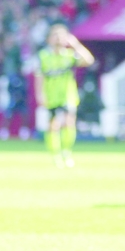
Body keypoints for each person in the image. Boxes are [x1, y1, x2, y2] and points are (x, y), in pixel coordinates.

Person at [36, 25, 95, 167]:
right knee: (53, 126)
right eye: (55, 35)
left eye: (61, 35)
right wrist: (40, 95)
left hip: (68, 95)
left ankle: (66, 152)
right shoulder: (44, 56)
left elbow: (89, 60)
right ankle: (55, 155)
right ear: (49, 38)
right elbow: (39, 77)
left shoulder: (69, 55)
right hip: (52, 96)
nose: (58, 38)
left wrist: (76, 45)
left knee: (69, 122)